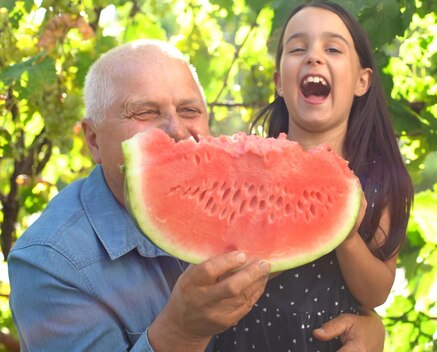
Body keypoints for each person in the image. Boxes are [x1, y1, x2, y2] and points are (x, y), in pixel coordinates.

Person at [8, 39, 386, 352]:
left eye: (189, 110)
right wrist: (180, 333)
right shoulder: (48, 262)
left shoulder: (235, 199)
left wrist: (368, 325)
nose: (175, 130)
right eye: (144, 111)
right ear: (93, 139)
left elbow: (300, 290)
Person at [213, 2, 414, 351]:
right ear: (279, 81)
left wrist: (346, 235)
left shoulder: (383, 180)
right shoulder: (246, 171)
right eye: (297, 48)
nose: (313, 57)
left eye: (332, 48)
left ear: (362, 81)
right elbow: (221, 272)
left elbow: (376, 293)